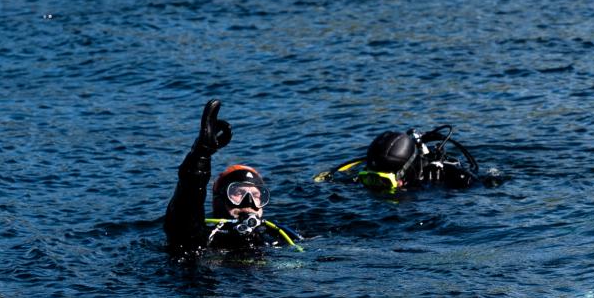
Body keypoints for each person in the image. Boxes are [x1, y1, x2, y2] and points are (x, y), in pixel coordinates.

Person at [163, 99, 301, 254]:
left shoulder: (280, 238)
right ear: (219, 200)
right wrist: (201, 154)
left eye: (256, 195)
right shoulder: (201, 239)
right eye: (238, 193)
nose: (248, 203)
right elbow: (186, 202)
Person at [324, 125, 480, 192]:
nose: (376, 189)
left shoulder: (438, 178)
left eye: (384, 181)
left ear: (406, 173)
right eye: (369, 179)